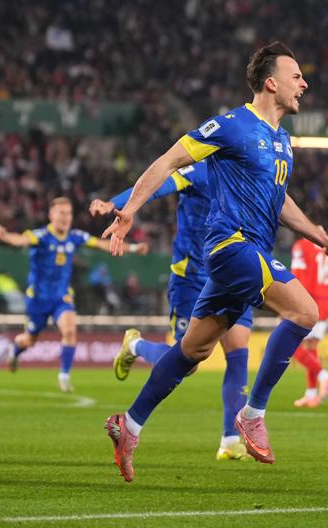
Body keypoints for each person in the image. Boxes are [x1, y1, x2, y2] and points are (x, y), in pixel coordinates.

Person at [100, 41, 328, 482]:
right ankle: (252, 413)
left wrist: (322, 239)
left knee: (193, 350)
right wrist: (130, 208)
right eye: (296, 75)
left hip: (248, 254)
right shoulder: (231, 125)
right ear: (270, 82)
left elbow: (280, 201)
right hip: (232, 246)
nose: (305, 83)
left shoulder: (282, 141)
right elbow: (169, 160)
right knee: (304, 311)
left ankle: (128, 424)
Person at [90, 160, 252, 461]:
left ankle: (230, 438)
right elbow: (157, 183)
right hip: (192, 277)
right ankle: (135, 345)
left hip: (232, 272)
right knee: (189, 363)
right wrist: (116, 203)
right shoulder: (199, 168)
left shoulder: (246, 172)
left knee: (238, 348)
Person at [0, 197, 147, 392]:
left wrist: (133, 247)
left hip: (61, 297)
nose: (65, 217)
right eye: (61, 213)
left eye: (68, 213)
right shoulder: (40, 236)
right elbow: (20, 240)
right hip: (38, 299)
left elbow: (101, 244)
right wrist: (5, 236)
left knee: (70, 329)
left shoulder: (75, 237)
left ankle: (64, 376)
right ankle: (15, 350)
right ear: (51, 215)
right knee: (29, 340)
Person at [290, 236, 328, 407]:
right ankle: (311, 394)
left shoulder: (301, 245)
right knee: (311, 348)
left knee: (292, 347)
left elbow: (297, 275)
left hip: (308, 303)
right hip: (325, 304)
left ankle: (325, 377)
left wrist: (292, 303)